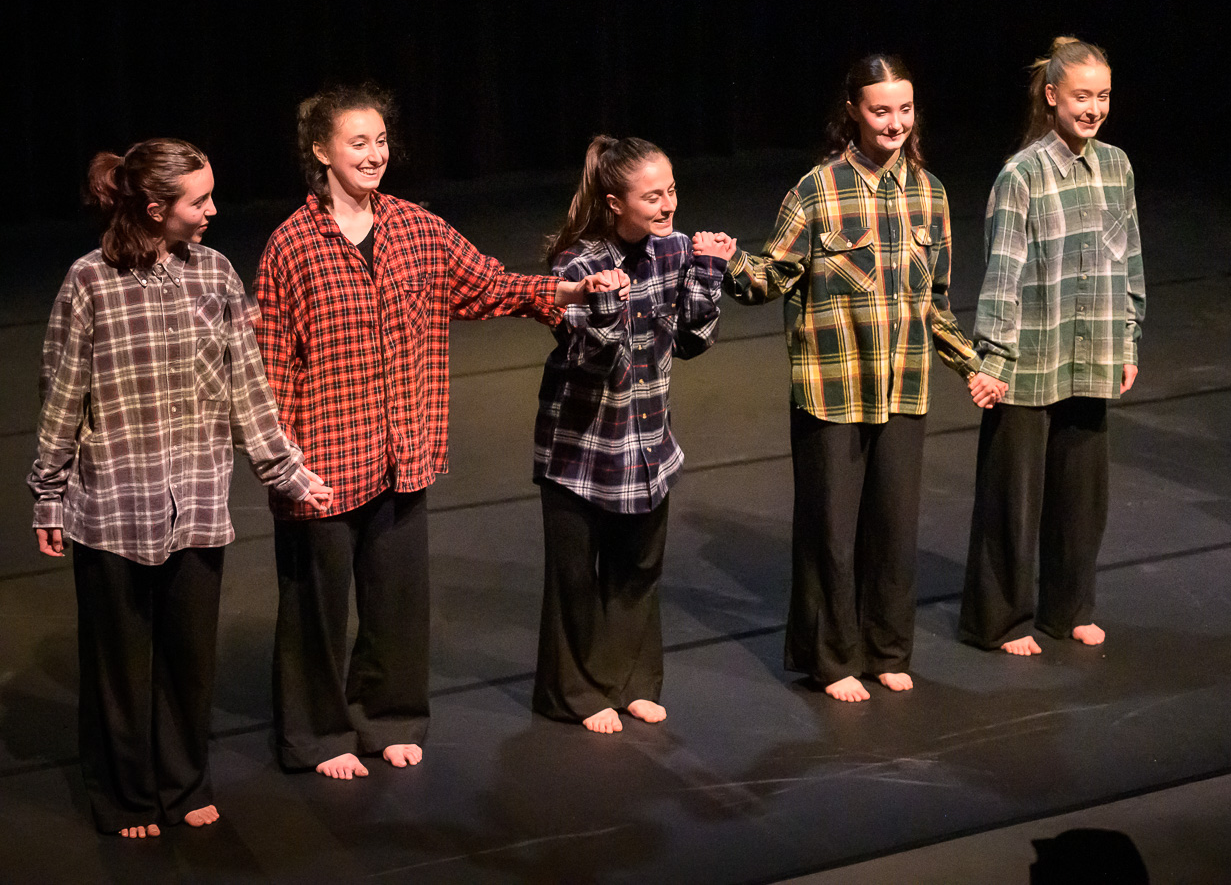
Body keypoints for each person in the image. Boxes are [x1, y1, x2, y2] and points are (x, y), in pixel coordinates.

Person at [252, 84, 602, 779]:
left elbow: (488, 284)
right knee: (315, 613)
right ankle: (317, 736)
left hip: (402, 452)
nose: (375, 153)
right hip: (321, 461)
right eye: (359, 142)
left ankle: (386, 718)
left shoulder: (416, 227)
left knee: (397, 602)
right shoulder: (291, 245)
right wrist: (282, 464)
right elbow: (271, 366)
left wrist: (564, 292)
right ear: (321, 151)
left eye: (381, 140)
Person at [28, 140, 331, 838]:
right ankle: (126, 794)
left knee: (189, 656)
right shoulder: (89, 282)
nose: (213, 211)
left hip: (194, 500)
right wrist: (48, 493)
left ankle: (182, 778)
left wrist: (286, 471)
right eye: (200, 200)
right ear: (156, 207)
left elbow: (247, 388)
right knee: (120, 664)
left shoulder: (217, 275)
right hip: (112, 506)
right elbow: (61, 397)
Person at [725, 54, 1002, 702]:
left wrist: (971, 367)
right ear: (852, 110)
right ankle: (832, 658)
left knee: (894, 527)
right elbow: (769, 277)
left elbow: (934, 300)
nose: (894, 122)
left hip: (902, 385)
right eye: (881, 110)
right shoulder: (816, 190)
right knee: (831, 532)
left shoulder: (928, 193)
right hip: (832, 388)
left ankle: (885, 648)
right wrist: (724, 260)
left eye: (904, 109)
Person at [532, 135, 731, 733]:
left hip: (648, 440)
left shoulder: (673, 250)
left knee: (638, 570)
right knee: (576, 580)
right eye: (653, 196)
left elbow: (693, 340)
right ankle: (577, 692)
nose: (668, 205)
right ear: (615, 202)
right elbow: (595, 360)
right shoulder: (578, 264)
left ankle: (633, 682)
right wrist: (603, 305)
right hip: (583, 448)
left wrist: (710, 270)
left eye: (671, 190)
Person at [959, 36, 1144, 656]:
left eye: (1104, 97)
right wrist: (994, 357)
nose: (1093, 108)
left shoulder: (1115, 165)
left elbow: (1129, 259)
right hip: (1031, 354)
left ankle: (1069, 607)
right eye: (1082, 96)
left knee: (1082, 492)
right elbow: (1003, 273)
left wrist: (1128, 339)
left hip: (1091, 347)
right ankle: (1001, 618)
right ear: (1052, 96)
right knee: (1014, 493)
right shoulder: (1023, 173)